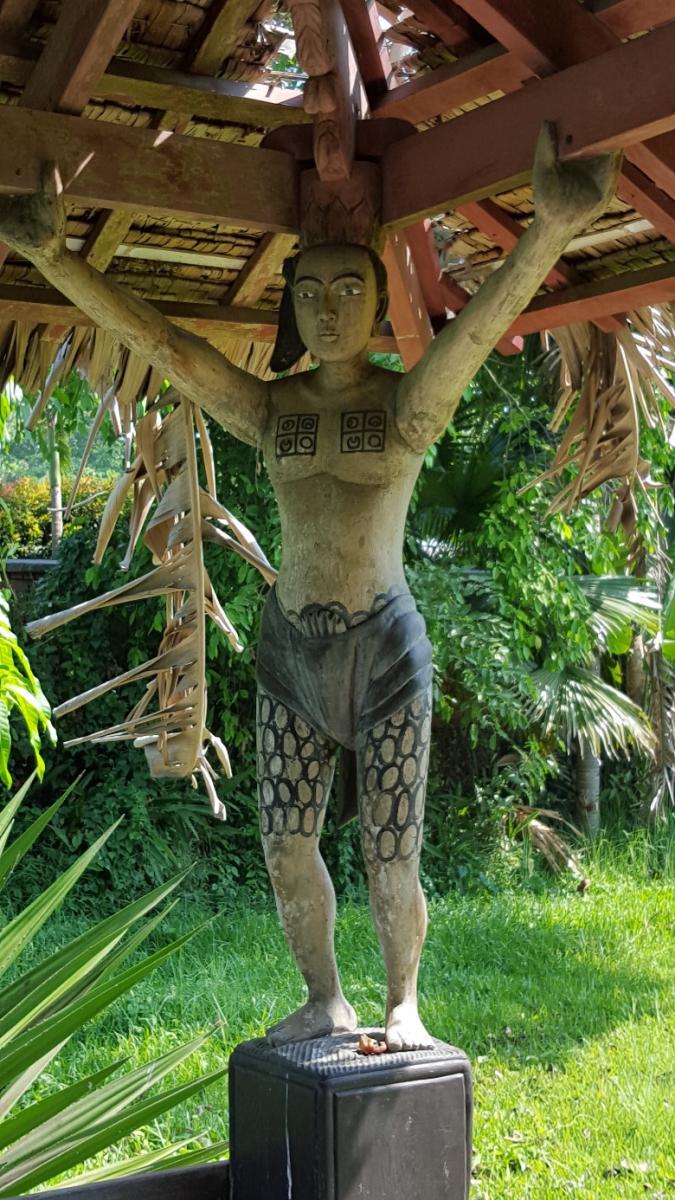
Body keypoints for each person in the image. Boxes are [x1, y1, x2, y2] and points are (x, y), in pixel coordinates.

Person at [0, 124, 619, 1050]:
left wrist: (548, 230)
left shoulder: (403, 405)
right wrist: (58, 259)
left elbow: (477, 331)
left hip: (385, 651)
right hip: (291, 647)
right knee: (286, 848)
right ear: (290, 306)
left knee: (389, 851)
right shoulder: (272, 407)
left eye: (348, 291)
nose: (328, 309)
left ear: (375, 303)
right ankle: (325, 997)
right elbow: (167, 346)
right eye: (310, 293)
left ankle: (403, 1002)